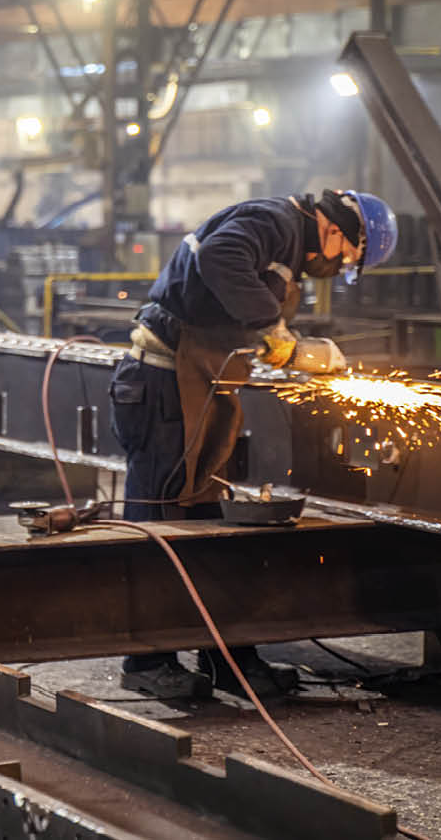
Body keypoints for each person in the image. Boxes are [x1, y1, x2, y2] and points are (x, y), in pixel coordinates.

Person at [110, 190, 397, 698]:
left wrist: (281, 339)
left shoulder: (285, 247)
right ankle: (147, 661)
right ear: (336, 231)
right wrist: (272, 329)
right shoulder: (275, 221)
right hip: (161, 387)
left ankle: (228, 659)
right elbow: (221, 257)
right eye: (345, 258)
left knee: (207, 529)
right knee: (157, 522)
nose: (336, 267)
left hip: (203, 388)